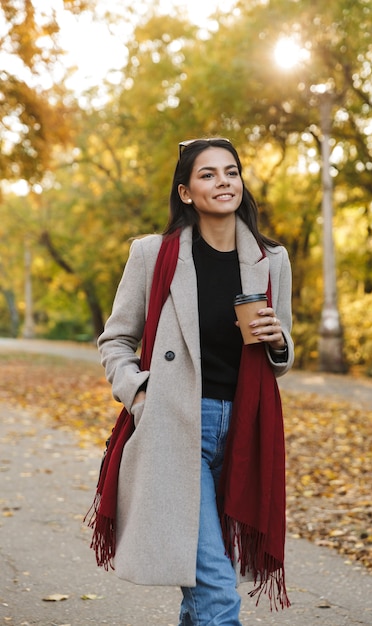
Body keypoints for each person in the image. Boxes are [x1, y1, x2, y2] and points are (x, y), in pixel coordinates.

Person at [94, 138, 294, 625]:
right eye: (207, 174)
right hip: (176, 425)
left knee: (201, 590)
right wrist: (141, 394)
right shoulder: (152, 255)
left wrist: (278, 342)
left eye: (231, 172)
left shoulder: (272, 259)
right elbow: (115, 340)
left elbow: (283, 354)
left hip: (246, 429)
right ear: (185, 192)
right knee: (217, 591)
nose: (223, 181)